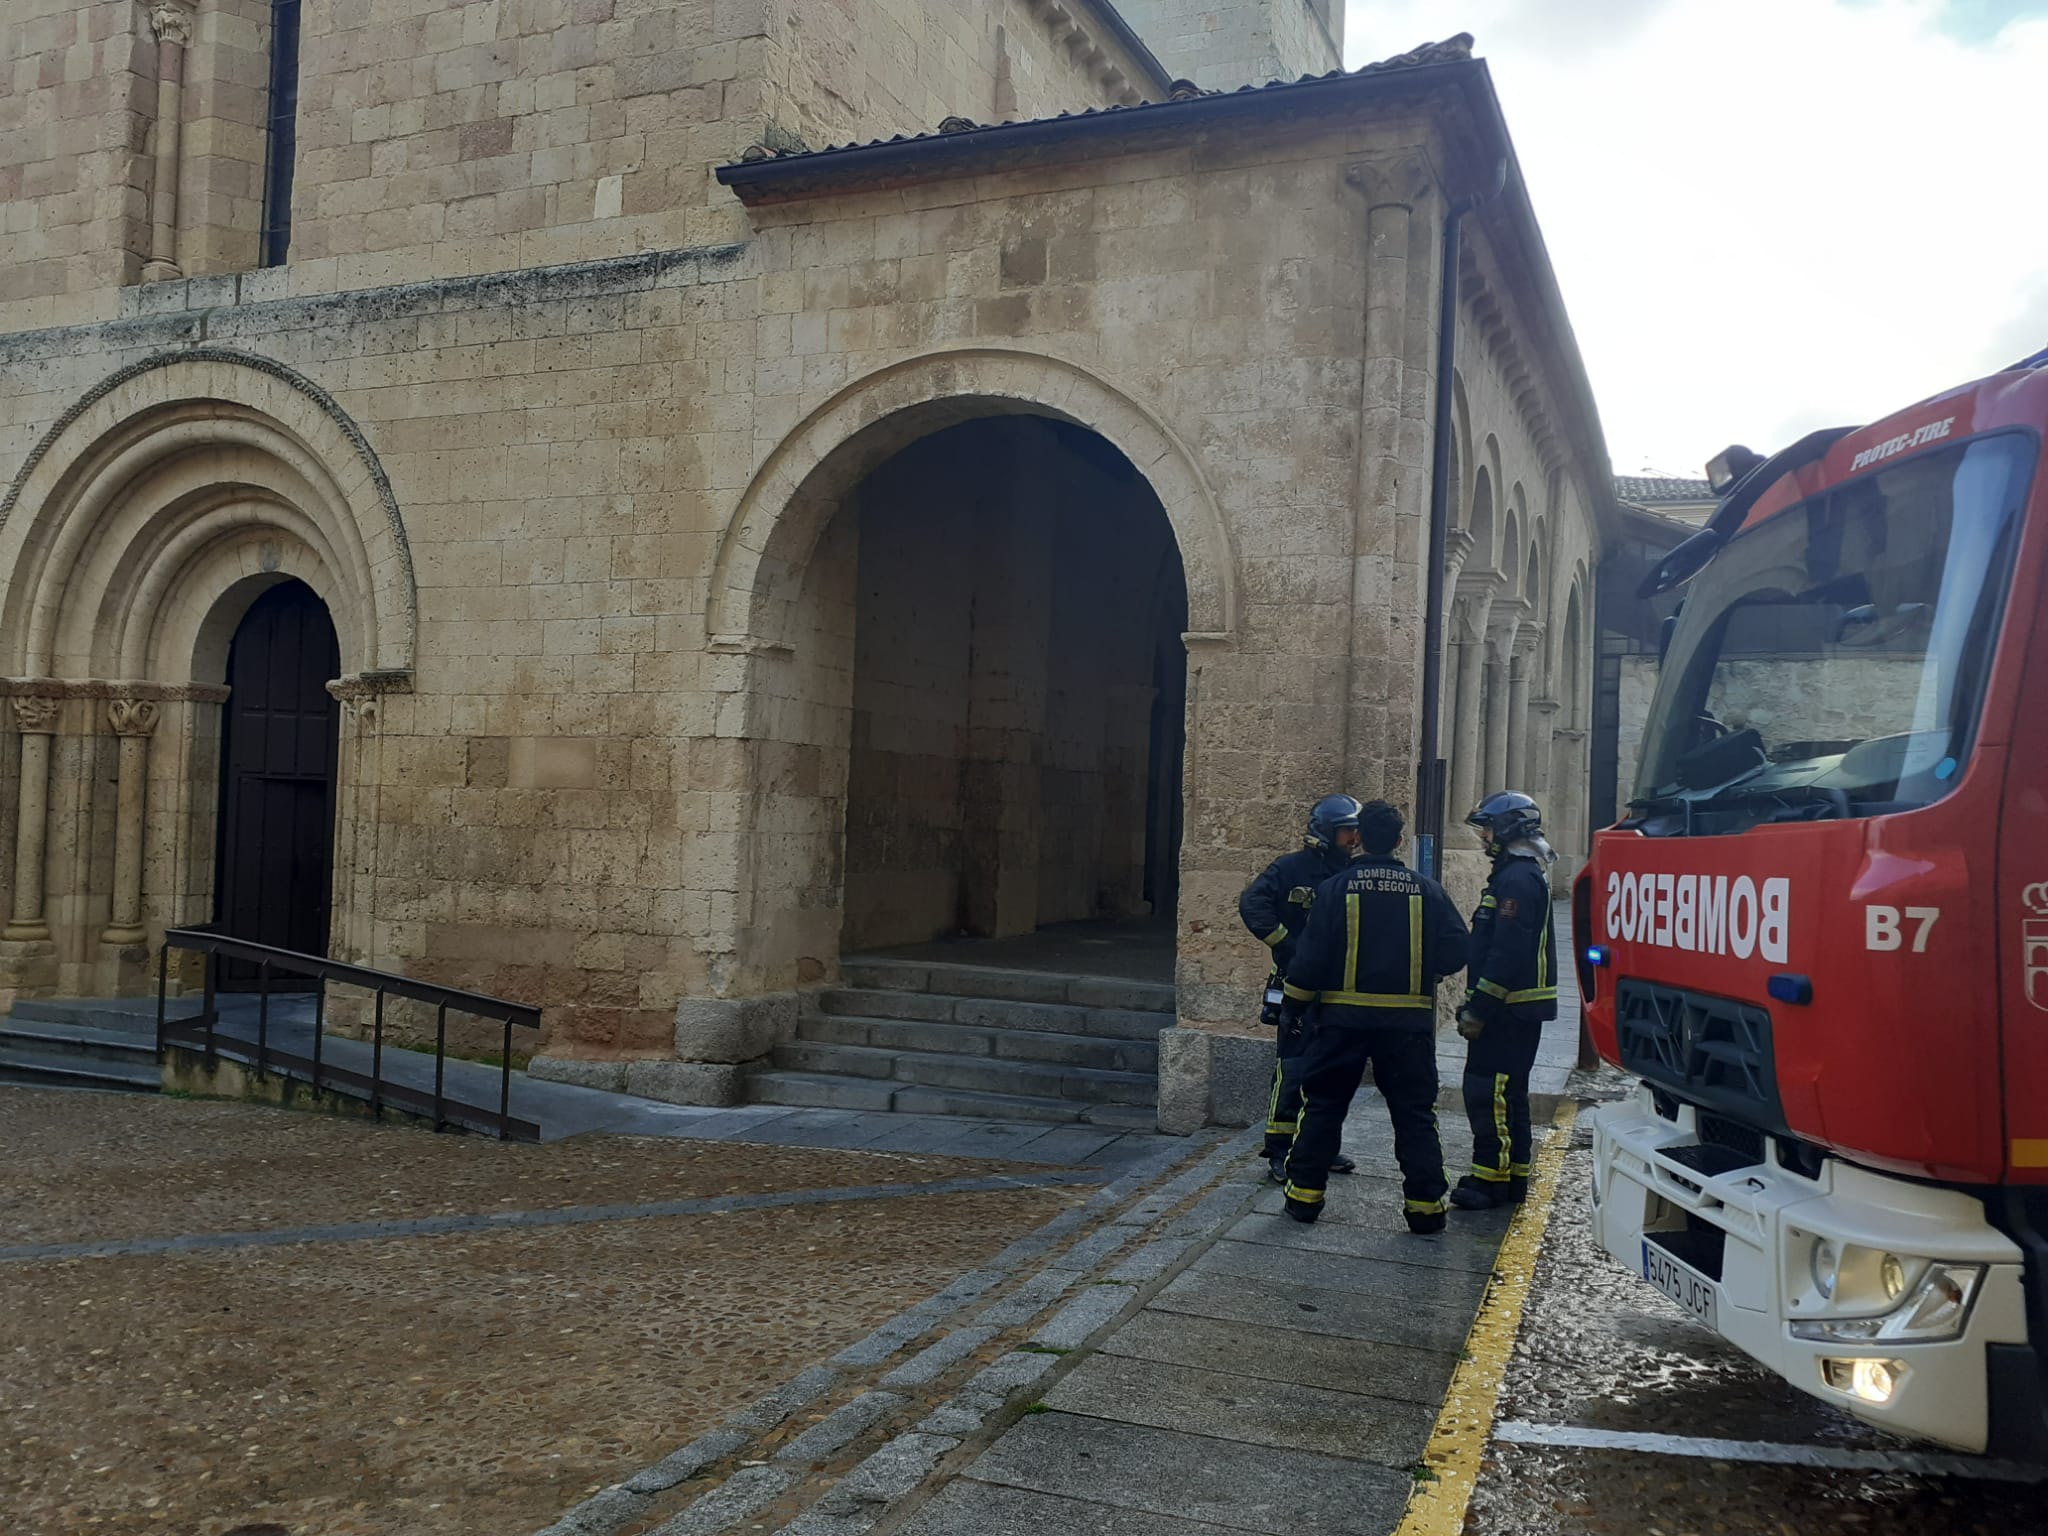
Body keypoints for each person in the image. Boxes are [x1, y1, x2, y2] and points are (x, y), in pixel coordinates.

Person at [1277, 800, 1471, 1232]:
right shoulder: (1428, 890)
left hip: (1342, 1023)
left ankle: (1305, 1199)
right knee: (1415, 1114)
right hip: (1407, 1026)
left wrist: (1294, 1005)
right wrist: (1427, 972)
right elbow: (1459, 948)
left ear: (1359, 838)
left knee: (1324, 1106)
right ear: (1401, 841)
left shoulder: (1335, 889)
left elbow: (1309, 959)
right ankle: (1425, 1209)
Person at [1238, 795, 1365, 1183]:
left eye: (1355, 832)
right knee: (1293, 1071)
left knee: (1335, 1075)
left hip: (1340, 992)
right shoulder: (1290, 868)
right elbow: (1252, 904)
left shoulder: (1354, 875)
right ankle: (1280, 1149)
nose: (1354, 839)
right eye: (1347, 831)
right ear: (1326, 832)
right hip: (1297, 989)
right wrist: (1288, 945)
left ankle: (1320, 1146)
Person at [1450, 790, 1560, 1211]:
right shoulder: (1522, 873)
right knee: (1510, 1091)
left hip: (1508, 1008)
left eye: (1489, 829)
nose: (1485, 838)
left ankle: (1488, 1179)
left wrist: (1480, 1007)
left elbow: (1506, 952)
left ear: (1509, 829)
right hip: (1519, 1007)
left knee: (1487, 1089)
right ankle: (1513, 1175)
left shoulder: (1516, 879)